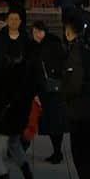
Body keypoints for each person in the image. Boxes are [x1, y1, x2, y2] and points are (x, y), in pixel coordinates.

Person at [0, 8, 33, 179]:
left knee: (9, 142)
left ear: (21, 21)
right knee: (14, 142)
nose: (14, 22)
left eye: (17, 19)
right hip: (1, 90)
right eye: (11, 18)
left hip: (17, 98)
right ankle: (27, 172)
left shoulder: (26, 41)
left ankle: (8, 174)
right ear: (7, 20)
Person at [60, 13, 90, 179]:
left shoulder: (76, 50)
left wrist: (62, 92)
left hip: (80, 109)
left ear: (69, 31)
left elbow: (74, 83)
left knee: (79, 153)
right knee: (87, 153)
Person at [29, 21, 66, 165]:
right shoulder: (39, 46)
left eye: (36, 32)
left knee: (53, 122)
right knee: (50, 122)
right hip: (48, 89)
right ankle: (56, 152)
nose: (34, 35)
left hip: (51, 90)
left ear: (41, 31)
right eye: (33, 33)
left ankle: (57, 152)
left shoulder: (49, 46)